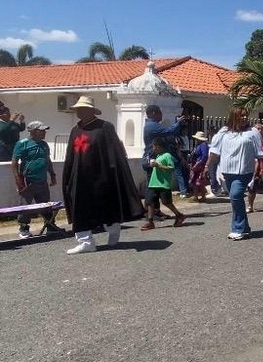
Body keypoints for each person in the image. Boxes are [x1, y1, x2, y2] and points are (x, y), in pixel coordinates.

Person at [62, 96, 143, 254]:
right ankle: (86, 241)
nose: (79, 112)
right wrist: (68, 175)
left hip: (101, 176)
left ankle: (114, 230)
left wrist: (113, 174)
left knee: (106, 205)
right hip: (79, 177)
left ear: (90, 110)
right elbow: (71, 155)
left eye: (82, 109)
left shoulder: (105, 127)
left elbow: (114, 152)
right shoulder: (75, 130)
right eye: (77, 109)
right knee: (80, 207)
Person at [204, 107, 263, 240]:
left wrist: (260, 169)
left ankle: (238, 228)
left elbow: (259, 153)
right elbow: (214, 151)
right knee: (235, 200)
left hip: (244, 171)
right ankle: (245, 228)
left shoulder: (253, 132)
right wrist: (207, 165)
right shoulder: (224, 132)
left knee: (236, 196)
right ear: (233, 117)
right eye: (241, 115)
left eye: (245, 115)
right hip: (227, 171)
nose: (244, 118)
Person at [11, 121, 63, 238]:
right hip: (28, 180)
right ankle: (24, 228)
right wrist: (17, 178)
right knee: (25, 205)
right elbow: (14, 162)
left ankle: (50, 226)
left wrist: (52, 175)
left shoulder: (44, 144)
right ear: (33, 131)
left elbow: (47, 160)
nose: (45, 132)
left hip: (42, 180)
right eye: (42, 130)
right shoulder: (22, 144)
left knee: (46, 204)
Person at [140, 138, 187, 231]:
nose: (153, 148)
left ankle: (179, 215)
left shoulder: (167, 156)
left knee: (167, 202)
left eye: (154, 146)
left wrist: (159, 166)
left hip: (163, 184)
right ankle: (150, 222)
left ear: (159, 146)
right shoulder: (158, 156)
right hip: (153, 183)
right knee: (149, 202)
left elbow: (171, 168)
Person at [188, 131, 210, 201]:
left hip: (200, 165)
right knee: (195, 181)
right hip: (196, 164)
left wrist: (198, 163)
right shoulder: (198, 145)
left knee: (199, 181)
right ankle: (196, 196)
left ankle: (202, 196)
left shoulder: (203, 145)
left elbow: (204, 156)